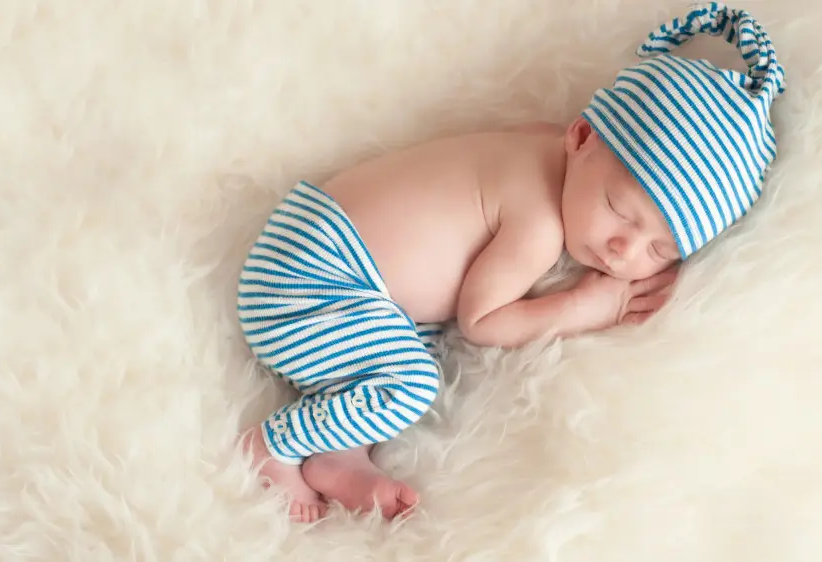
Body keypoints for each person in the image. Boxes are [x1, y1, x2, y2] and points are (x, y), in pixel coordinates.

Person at [235, 1, 786, 522]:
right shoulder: (539, 224)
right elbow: (482, 321)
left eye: (659, 250)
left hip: (310, 244)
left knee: (412, 342)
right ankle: (277, 443)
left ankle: (339, 454)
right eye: (619, 209)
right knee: (412, 383)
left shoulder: (540, 142)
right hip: (311, 280)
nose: (624, 248)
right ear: (582, 135)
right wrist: (585, 307)